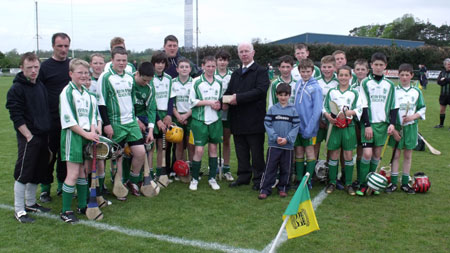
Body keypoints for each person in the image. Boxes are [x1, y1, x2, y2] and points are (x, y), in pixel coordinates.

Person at [6, 52, 52, 223]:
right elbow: (16, 115)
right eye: (29, 68)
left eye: (36, 67)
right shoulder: (16, 88)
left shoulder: (40, 85)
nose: (33, 71)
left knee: (37, 171)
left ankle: (31, 203)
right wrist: (29, 136)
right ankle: (19, 210)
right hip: (29, 137)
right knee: (23, 172)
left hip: (43, 135)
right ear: (21, 68)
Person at [97, 47, 147, 198]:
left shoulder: (130, 77)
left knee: (140, 152)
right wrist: (107, 124)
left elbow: (131, 101)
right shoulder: (105, 78)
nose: (121, 63)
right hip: (115, 123)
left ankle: (132, 181)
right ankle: (118, 186)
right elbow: (101, 103)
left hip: (131, 122)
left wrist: (137, 119)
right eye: (118, 60)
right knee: (117, 156)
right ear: (112, 60)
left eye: (124, 60)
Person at [224, 42, 270, 191]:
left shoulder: (261, 71)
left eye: (246, 51)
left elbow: (260, 91)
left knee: (256, 153)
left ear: (253, 53)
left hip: (254, 120)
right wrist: (221, 101)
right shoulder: (236, 73)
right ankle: (243, 177)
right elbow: (229, 92)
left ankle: (258, 179)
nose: (244, 54)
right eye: (241, 52)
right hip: (237, 120)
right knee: (241, 151)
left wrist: (238, 98)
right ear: (238, 54)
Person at [59, 59, 99, 223]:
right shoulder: (67, 92)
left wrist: (93, 131)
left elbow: (92, 117)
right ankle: (65, 210)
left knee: (83, 171)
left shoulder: (88, 95)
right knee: (73, 173)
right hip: (73, 136)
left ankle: (82, 205)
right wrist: (86, 134)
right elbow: (68, 120)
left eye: (86, 73)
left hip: (87, 136)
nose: (83, 76)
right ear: (71, 74)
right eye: (79, 72)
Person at [357, 52, 397, 196]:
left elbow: (394, 106)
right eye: (376, 64)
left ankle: (372, 184)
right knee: (367, 154)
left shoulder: (390, 84)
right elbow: (363, 105)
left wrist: (392, 124)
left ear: (385, 66)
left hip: (383, 125)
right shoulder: (365, 82)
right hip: (369, 124)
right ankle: (362, 183)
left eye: (381, 65)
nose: (378, 67)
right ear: (371, 65)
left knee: (376, 155)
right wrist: (367, 125)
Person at [38, 32, 71, 202]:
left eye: (66, 46)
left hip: (69, 121)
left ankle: (61, 185)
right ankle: (45, 188)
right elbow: (38, 92)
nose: (63, 49)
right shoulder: (45, 67)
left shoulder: (72, 66)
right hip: (50, 119)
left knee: (65, 156)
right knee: (49, 155)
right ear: (53, 46)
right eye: (60, 46)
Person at [386, 63, 426, 194]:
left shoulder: (416, 91)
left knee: (408, 155)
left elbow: (422, 108)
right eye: (402, 75)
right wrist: (395, 130)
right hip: (397, 128)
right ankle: (392, 183)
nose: (404, 77)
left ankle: (404, 183)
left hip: (411, 127)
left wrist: (412, 117)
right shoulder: (394, 91)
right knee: (396, 154)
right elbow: (389, 111)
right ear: (398, 75)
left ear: (411, 76)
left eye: (407, 75)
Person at [323, 66, 362, 195]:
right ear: (337, 76)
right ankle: (332, 182)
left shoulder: (354, 93)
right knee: (333, 155)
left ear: (350, 77)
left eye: (346, 75)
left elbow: (360, 109)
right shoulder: (332, 92)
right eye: (341, 75)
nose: (343, 78)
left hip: (348, 128)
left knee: (348, 155)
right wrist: (328, 116)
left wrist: (350, 112)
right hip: (334, 127)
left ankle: (348, 184)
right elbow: (325, 107)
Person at [259, 83, 300, 199]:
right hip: (274, 145)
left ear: (289, 96)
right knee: (270, 168)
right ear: (276, 95)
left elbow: (296, 126)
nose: (283, 97)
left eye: (285, 95)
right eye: (280, 95)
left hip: (288, 146)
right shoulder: (272, 109)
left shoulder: (293, 110)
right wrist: (275, 137)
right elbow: (267, 124)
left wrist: (287, 139)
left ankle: (283, 188)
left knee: (286, 169)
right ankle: (265, 189)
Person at [188, 56, 223, 191]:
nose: (210, 69)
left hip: (215, 120)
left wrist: (218, 105)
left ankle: (212, 178)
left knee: (213, 149)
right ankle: (195, 178)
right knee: (199, 150)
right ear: (203, 66)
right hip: (199, 120)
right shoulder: (196, 81)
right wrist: (209, 102)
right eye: (208, 66)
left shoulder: (218, 82)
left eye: (213, 66)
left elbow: (220, 100)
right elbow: (192, 101)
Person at [292, 58, 323, 189]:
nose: (305, 74)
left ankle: (308, 180)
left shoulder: (316, 87)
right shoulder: (298, 83)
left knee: (310, 153)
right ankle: (299, 179)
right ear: (299, 71)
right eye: (303, 71)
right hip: (297, 126)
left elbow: (317, 111)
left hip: (309, 127)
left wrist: (310, 128)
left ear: (312, 71)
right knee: (298, 152)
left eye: (308, 71)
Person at [150, 51, 174, 183]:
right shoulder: (150, 77)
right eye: (157, 63)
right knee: (151, 146)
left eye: (162, 63)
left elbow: (171, 98)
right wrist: (158, 119)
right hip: (153, 114)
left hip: (165, 114)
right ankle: (150, 174)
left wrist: (169, 115)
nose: (160, 65)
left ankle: (160, 174)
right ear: (153, 63)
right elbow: (151, 101)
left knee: (162, 146)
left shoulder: (169, 78)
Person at [134, 62, 156, 180]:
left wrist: (151, 131)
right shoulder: (129, 83)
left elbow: (151, 109)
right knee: (130, 151)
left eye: (149, 81)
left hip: (144, 116)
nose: (146, 83)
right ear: (137, 74)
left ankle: (146, 176)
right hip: (129, 118)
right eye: (144, 80)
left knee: (148, 146)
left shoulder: (150, 86)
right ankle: (128, 178)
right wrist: (136, 120)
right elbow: (126, 106)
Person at [214, 50, 234, 181]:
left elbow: (234, 91)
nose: (222, 62)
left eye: (225, 60)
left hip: (228, 110)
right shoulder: (211, 74)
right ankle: (214, 166)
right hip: (213, 111)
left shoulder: (232, 75)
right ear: (216, 61)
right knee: (214, 141)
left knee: (226, 140)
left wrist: (226, 102)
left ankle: (226, 168)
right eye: (220, 59)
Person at [314, 55, 338, 160]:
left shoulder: (339, 81)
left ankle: (328, 172)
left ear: (334, 67)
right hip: (317, 120)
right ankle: (313, 171)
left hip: (333, 120)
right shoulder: (315, 81)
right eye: (324, 67)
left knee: (332, 148)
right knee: (315, 146)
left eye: (329, 67)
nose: (326, 69)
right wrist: (318, 119)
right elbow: (313, 102)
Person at [350, 59, 369, 187]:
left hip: (369, 123)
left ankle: (366, 178)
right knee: (358, 149)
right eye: (358, 69)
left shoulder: (371, 85)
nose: (360, 72)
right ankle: (359, 177)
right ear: (354, 71)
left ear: (368, 71)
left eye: (363, 69)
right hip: (355, 121)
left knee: (367, 151)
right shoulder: (352, 86)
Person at [171, 58, 194, 163]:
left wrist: (186, 116)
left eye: (186, 67)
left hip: (191, 116)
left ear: (190, 69)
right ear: (177, 69)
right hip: (177, 117)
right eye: (181, 67)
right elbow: (171, 103)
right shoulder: (173, 83)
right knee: (179, 144)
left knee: (191, 144)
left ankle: (192, 168)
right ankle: (179, 167)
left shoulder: (195, 83)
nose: (184, 69)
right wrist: (179, 117)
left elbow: (196, 103)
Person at [435, 58, 450, 129]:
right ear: (445, 65)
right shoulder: (442, 72)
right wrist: (445, 81)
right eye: (448, 64)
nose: (449, 65)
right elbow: (439, 82)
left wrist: (445, 80)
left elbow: (444, 81)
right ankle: (441, 124)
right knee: (442, 110)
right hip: (443, 95)